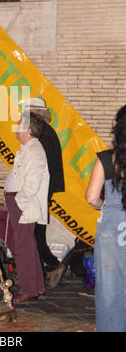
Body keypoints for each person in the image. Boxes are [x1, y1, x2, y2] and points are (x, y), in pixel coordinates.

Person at [85, 105, 126, 332]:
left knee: (110, 289)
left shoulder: (106, 159)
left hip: (111, 232)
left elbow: (91, 197)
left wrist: (104, 205)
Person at [5, 112, 49, 303]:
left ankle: (28, 290)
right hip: (21, 203)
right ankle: (37, 287)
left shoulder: (34, 151)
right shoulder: (28, 148)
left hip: (24, 205)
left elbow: (32, 183)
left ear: (29, 130)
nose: (16, 124)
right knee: (29, 246)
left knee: (23, 247)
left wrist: (19, 202)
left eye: (20, 123)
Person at [21, 97, 65, 288]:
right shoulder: (45, 133)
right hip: (41, 189)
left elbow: (38, 169)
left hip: (40, 190)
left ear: (37, 113)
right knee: (36, 233)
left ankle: (51, 267)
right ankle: (44, 269)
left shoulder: (43, 136)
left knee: (35, 233)